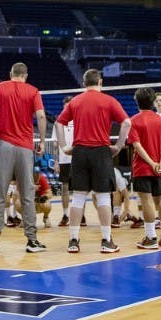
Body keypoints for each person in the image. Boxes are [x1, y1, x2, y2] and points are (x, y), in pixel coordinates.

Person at [56, 68, 130, 254]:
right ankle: (106, 241)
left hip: (79, 151)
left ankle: (73, 240)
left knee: (78, 197)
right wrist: (119, 146)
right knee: (104, 196)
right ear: (100, 82)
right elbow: (127, 123)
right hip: (101, 151)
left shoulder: (75, 101)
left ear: (83, 84)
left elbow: (58, 123)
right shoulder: (109, 100)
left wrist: (65, 146)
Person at [0, 62, 48, 253]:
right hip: (25, 148)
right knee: (27, 195)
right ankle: (32, 241)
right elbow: (41, 117)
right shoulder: (33, 91)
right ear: (25, 75)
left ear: (11, 73)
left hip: (4, 146)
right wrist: (41, 141)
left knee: (0, 194)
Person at [128, 87, 161, 249]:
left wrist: (151, 163)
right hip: (159, 169)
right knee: (160, 201)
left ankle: (151, 237)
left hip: (143, 168)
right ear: (153, 101)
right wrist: (160, 163)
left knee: (146, 200)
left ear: (137, 102)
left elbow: (137, 146)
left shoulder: (134, 120)